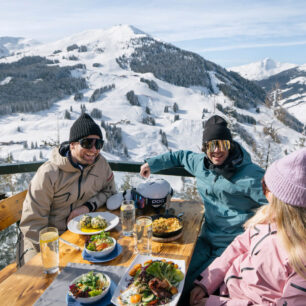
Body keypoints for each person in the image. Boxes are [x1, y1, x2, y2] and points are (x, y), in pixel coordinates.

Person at [140, 115, 267, 299]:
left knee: (191, 290)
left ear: (230, 145)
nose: (216, 151)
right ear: (204, 147)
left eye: (222, 144)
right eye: (210, 145)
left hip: (232, 245)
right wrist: (152, 164)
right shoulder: (202, 165)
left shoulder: (250, 175)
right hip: (206, 237)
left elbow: (277, 204)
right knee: (174, 275)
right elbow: (181, 156)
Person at [190, 148, 306, 306]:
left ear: (285, 203)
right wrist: (206, 282)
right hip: (225, 288)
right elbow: (238, 246)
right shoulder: (268, 219)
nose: (262, 190)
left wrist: (213, 303)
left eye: (265, 187)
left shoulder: (301, 262)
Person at [17, 113, 117, 266]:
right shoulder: (49, 174)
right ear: (72, 145)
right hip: (41, 241)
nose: (93, 149)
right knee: (39, 285)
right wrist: (58, 250)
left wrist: (87, 207)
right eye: (87, 143)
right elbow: (33, 226)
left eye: (98, 144)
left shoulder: (101, 165)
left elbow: (109, 192)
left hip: (78, 235)